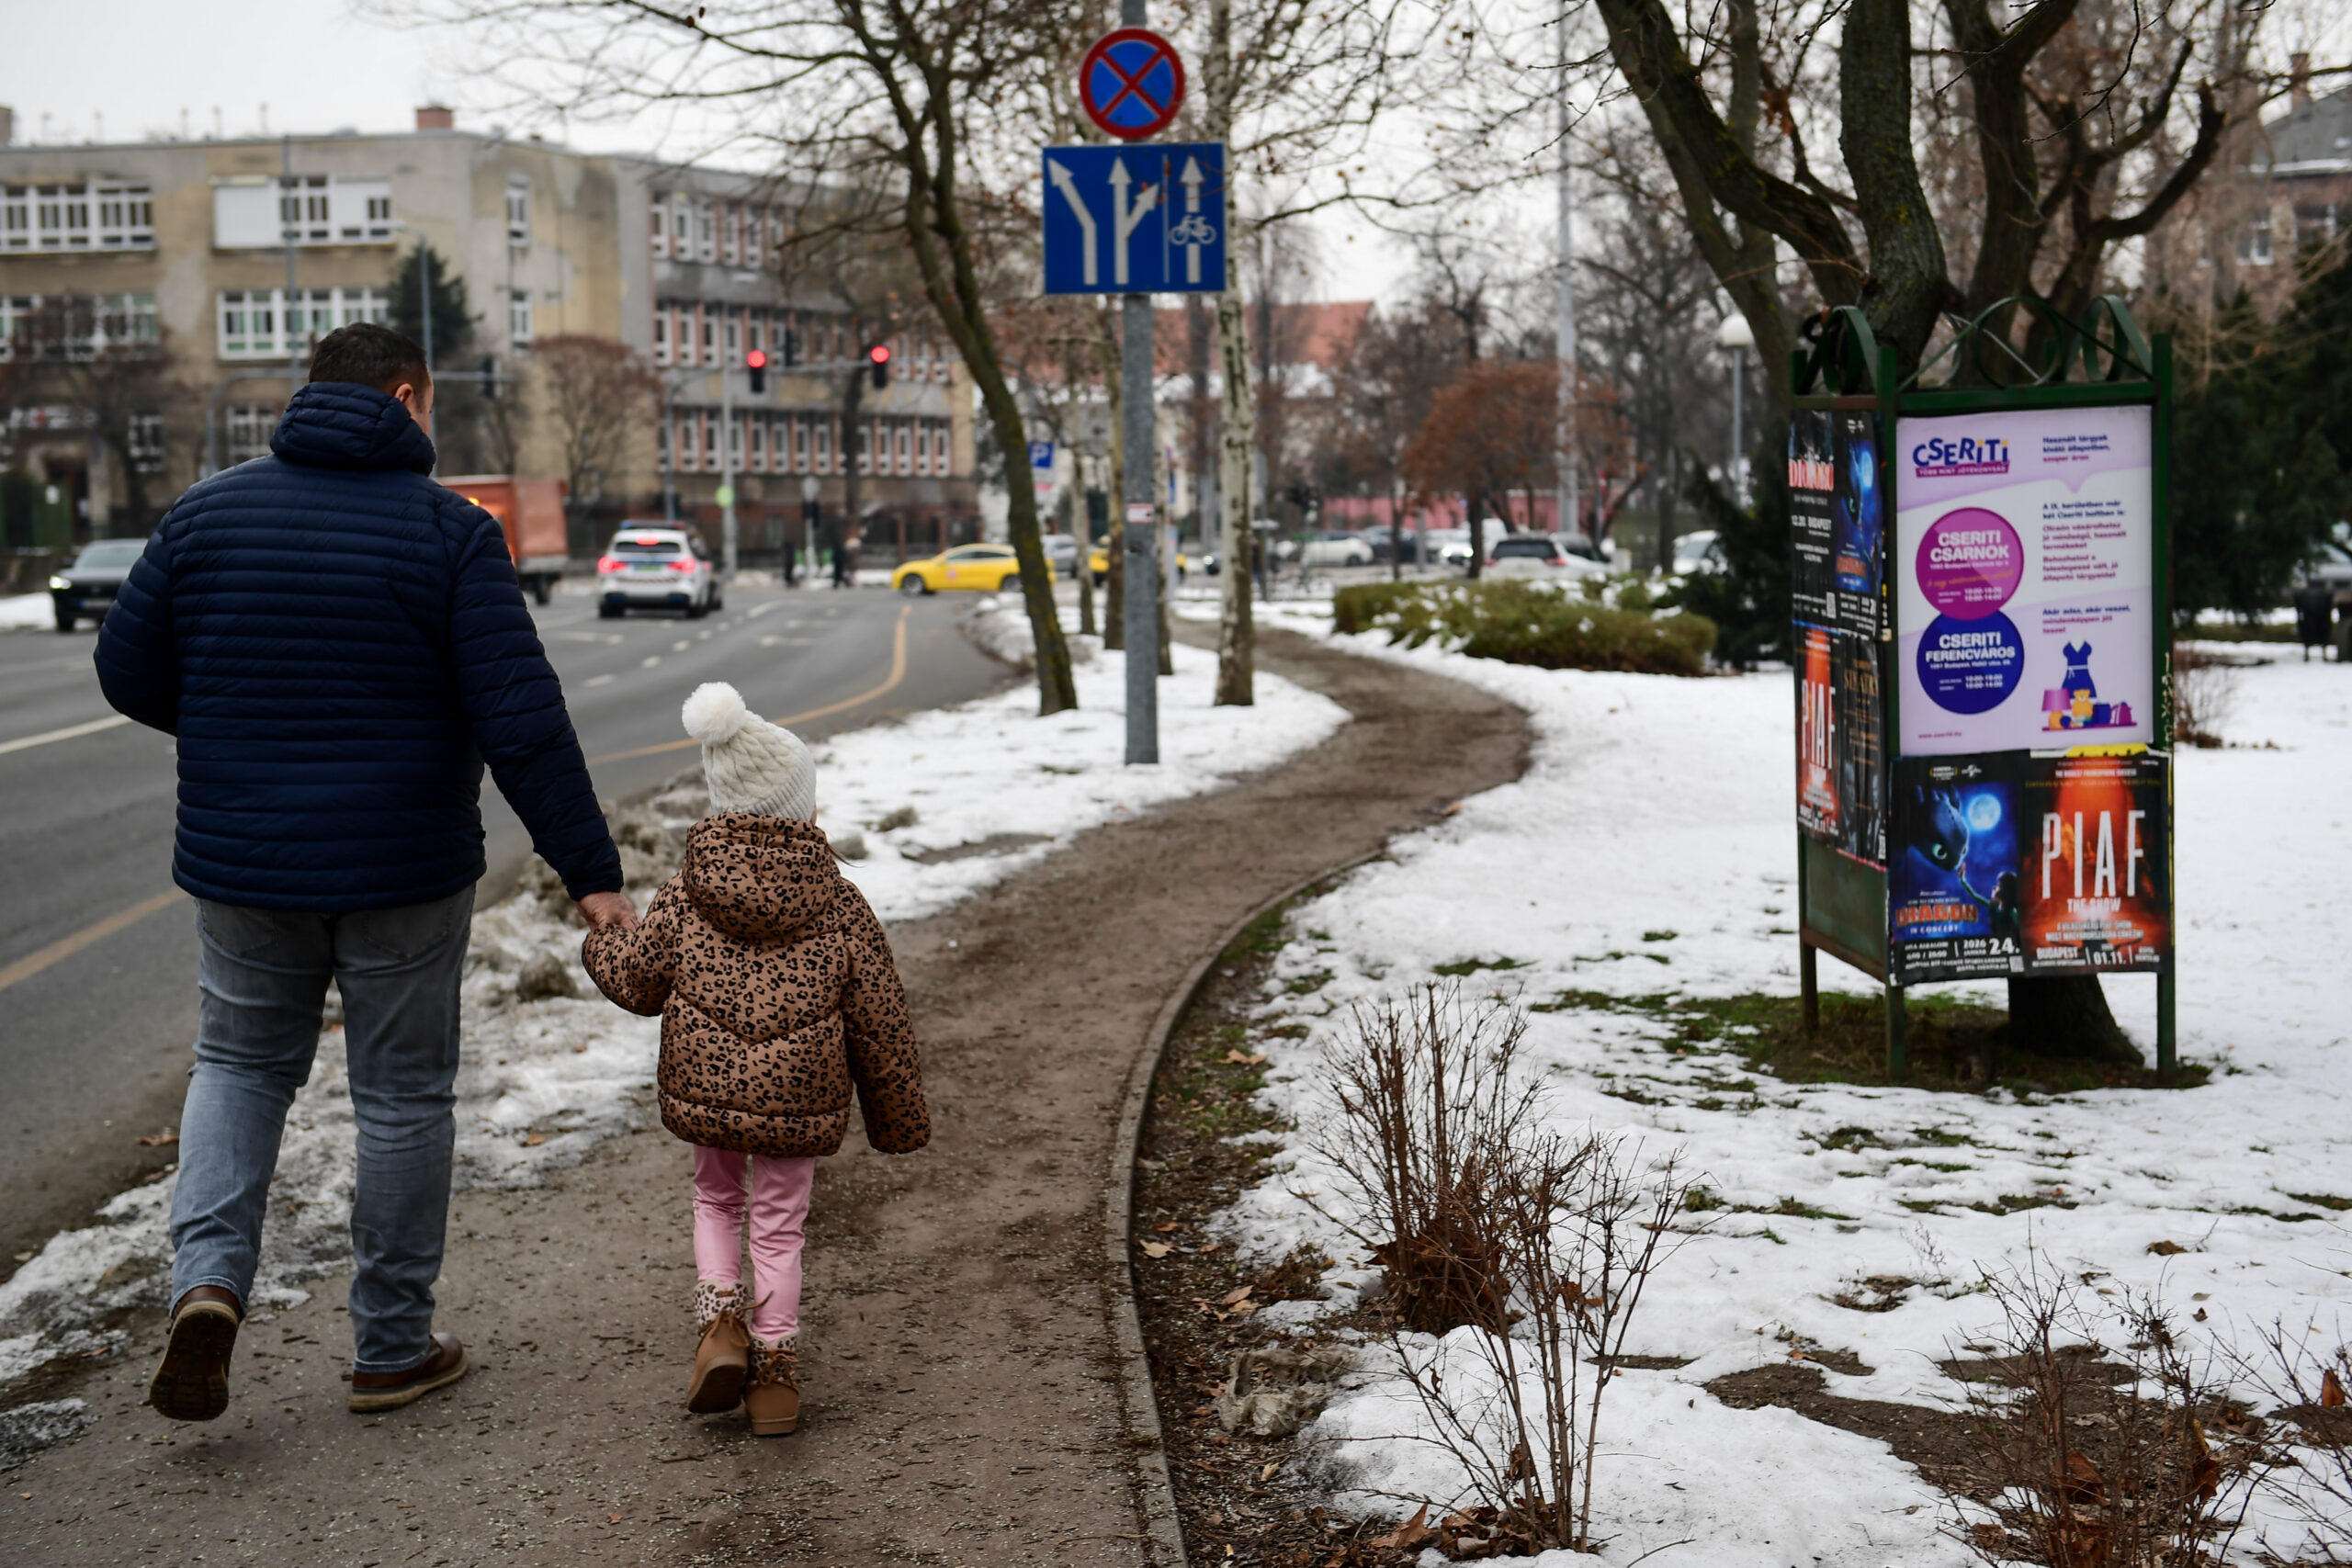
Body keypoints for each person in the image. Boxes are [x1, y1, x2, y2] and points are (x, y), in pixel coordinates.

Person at [95, 322, 636, 1423]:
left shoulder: (206, 513)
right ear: (404, 396)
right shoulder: (449, 533)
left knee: (240, 1068)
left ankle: (205, 1287)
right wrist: (592, 875)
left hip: (244, 865)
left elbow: (125, 670)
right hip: (406, 866)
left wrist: (235, 733)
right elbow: (522, 724)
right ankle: (391, 1345)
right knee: (400, 1098)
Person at [581, 682, 928, 1436]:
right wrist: (896, 1119)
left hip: (706, 1086)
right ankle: (774, 1376)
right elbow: (881, 1021)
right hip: (800, 1095)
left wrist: (603, 934)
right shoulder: (840, 902)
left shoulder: (683, 893)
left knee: (716, 1198)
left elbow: (638, 982)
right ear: (802, 808)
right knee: (779, 1222)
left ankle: (719, 1327)